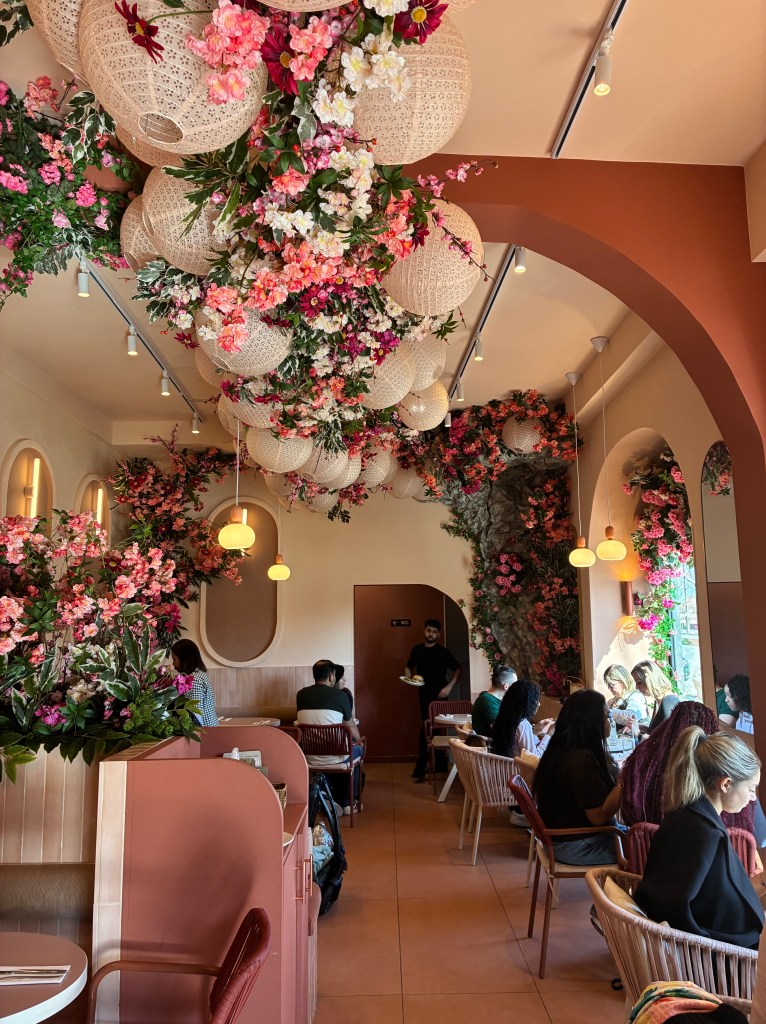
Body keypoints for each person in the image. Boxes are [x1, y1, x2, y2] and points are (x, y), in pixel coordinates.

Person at [635, 728, 763, 948]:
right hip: (714, 952)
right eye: (751, 789)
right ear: (726, 784)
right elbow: (678, 909)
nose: (752, 798)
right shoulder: (707, 833)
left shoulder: (682, 814)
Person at [620, 701, 755, 838]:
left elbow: (625, 808)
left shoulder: (644, 764)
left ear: (669, 725)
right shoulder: (726, 780)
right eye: (751, 789)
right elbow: (759, 838)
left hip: (646, 847)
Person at [534, 689, 624, 865]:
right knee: (652, 849)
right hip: (577, 845)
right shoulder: (580, 759)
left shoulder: (563, 749)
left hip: (566, 839)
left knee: (650, 839)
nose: (610, 722)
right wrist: (624, 782)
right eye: (607, 717)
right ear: (591, 721)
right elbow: (598, 817)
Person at [296, 660, 363, 814]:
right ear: (332, 676)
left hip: (309, 756)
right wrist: (360, 741)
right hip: (336, 757)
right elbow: (350, 726)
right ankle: (349, 803)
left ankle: (324, 796)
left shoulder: (301, 695)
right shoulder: (340, 696)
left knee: (325, 750)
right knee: (358, 749)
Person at [404, 619, 462, 782]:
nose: (431, 634)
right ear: (424, 631)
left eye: (434, 632)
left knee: (435, 727)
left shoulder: (444, 652)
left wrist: (449, 687)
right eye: (429, 630)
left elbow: (458, 669)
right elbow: (408, 666)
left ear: (438, 634)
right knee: (427, 726)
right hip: (424, 693)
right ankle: (430, 765)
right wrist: (409, 677)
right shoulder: (417, 650)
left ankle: (427, 766)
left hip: (441, 695)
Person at [492, 679, 554, 759]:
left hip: (503, 765)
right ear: (526, 701)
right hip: (516, 766)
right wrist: (549, 734)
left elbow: (521, 747)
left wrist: (536, 731)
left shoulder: (507, 717)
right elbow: (533, 758)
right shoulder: (522, 724)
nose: (539, 704)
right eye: (535, 699)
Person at [171, 639, 218, 727]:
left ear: (184, 659)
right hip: (211, 728)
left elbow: (196, 715)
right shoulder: (199, 674)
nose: (173, 664)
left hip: (205, 730)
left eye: (174, 659)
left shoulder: (194, 680)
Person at [631, 661, 679, 733]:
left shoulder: (668, 701)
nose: (636, 687)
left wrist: (638, 734)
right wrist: (637, 726)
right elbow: (654, 732)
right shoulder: (659, 700)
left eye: (639, 682)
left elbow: (665, 737)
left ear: (650, 680)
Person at [471, 664, 517, 738]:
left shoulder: (488, 698)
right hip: (491, 744)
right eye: (515, 685)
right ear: (506, 686)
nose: (517, 688)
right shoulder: (488, 702)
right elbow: (501, 731)